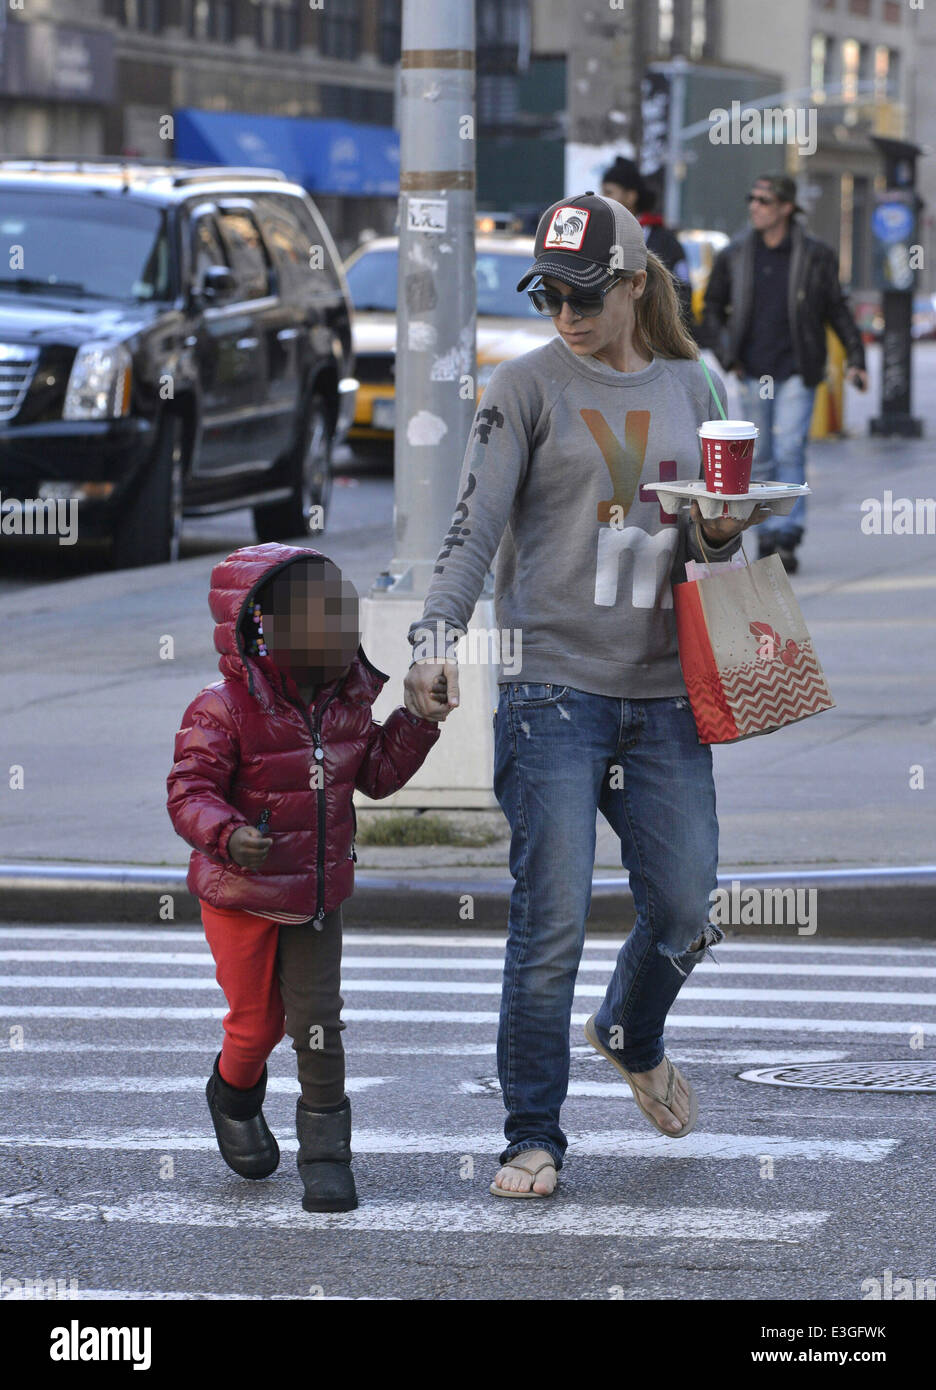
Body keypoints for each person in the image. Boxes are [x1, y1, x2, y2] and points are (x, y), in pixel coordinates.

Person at [403, 191, 774, 1198]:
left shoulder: (699, 385)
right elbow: (473, 530)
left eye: (583, 293)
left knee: (690, 909)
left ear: (634, 283)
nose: (564, 312)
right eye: (548, 293)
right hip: (552, 693)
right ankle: (532, 1133)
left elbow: (717, 541)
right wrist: (434, 639)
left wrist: (721, 528)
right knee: (552, 920)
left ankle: (631, 1028)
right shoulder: (522, 387)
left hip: (662, 696)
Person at [166, 543, 442, 1212]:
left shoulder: (347, 699)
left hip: (316, 898)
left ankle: (326, 1156)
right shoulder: (223, 706)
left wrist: (419, 720)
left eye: (341, 613)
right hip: (242, 897)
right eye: (318, 617)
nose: (339, 630)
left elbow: (374, 774)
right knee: (256, 1028)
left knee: (319, 1023)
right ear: (261, 626)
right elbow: (188, 789)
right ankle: (233, 1097)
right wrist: (229, 833)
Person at [701, 172, 868, 573]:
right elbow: (710, 308)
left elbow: (837, 309)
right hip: (753, 370)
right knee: (762, 458)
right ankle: (766, 534)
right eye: (752, 199)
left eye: (764, 200)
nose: (754, 206)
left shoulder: (814, 255)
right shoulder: (737, 253)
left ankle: (789, 534)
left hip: (796, 369)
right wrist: (727, 356)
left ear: (786, 208)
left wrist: (857, 359)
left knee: (791, 448)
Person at [602, 155, 694, 332]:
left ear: (630, 196)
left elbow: (683, 294)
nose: (603, 199)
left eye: (609, 192)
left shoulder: (665, 242)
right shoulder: (601, 237)